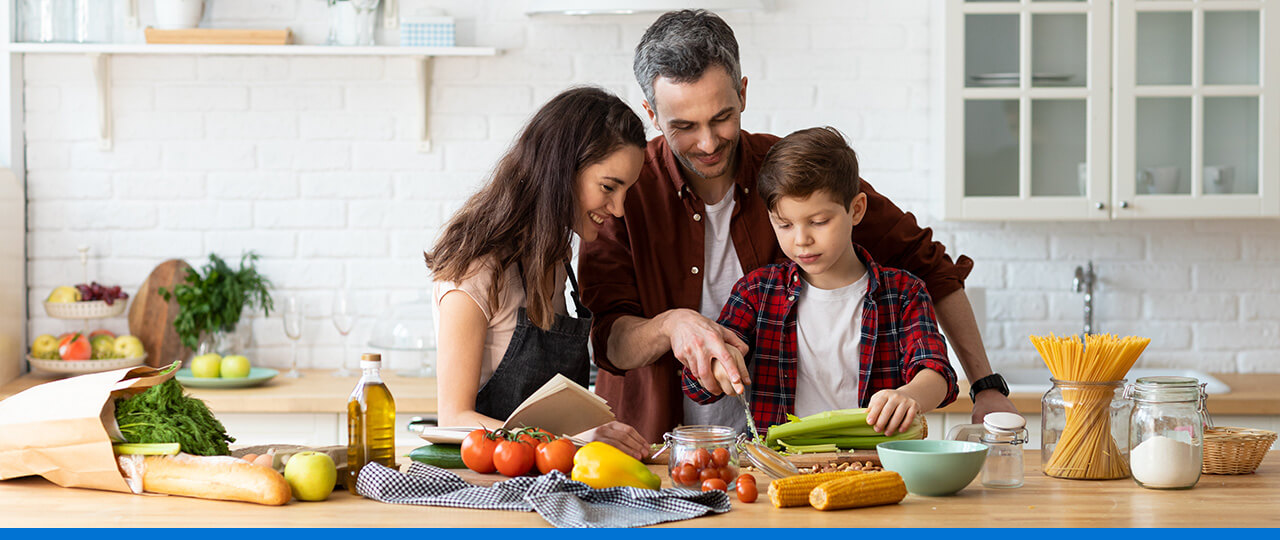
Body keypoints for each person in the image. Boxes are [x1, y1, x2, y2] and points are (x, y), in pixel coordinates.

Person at [579, 9, 1015, 443]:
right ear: (652, 115)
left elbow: (929, 265)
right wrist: (670, 326)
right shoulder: (625, 193)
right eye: (685, 126)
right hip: (657, 445)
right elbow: (609, 340)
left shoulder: (792, 174)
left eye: (722, 117)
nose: (708, 142)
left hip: (782, 454)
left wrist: (985, 386)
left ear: (744, 93)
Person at [680, 127, 958, 435]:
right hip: (781, 466)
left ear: (856, 210)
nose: (802, 240)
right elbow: (697, 387)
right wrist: (719, 364)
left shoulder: (904, 293)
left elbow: (937, 373)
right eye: (784, 224)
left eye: (819, 222)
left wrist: (909, 395)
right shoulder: (756, 292)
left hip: (873, 464)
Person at [426, 86, 650, 459]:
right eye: (609, 187)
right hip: (486, 484)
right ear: (563, 168)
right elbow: (453, 417)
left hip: (545, 476)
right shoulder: (477, 266)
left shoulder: (555, 256)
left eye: (626, 191)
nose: (619, 209)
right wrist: (574, 441)